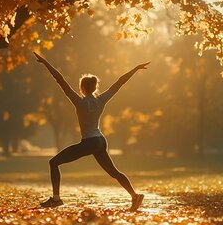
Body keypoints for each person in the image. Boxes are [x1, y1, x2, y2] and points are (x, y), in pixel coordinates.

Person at [33, 51, 149, 211]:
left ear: (82, 88)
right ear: (94, 87)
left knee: (53, 162)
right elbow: (119, 83)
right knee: (114, 172)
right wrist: (135, 69)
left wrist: (46, 63)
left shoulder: (78, 101)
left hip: (89, 142)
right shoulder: (101, 100)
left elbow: (60, 80)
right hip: (100, 141)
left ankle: (56, 199)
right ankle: (135, 196)